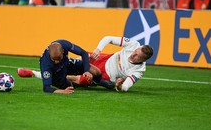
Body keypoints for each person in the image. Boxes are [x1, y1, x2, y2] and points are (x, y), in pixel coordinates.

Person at [19, 36, 153, 92]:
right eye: (135, 51)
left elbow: (125, 88)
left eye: (136, 56)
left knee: (81, 80)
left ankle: (33, 73)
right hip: (102, 59)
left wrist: (119, 85)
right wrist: (98, 50)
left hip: (107, 76)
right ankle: (58, 74)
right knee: (80, 68)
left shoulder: (139, 70)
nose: (133, 55)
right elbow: (108, 38)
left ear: (142, 60)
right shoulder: (134, 44)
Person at [18, 40, 95, 94]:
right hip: (57, 74)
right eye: (54, 60)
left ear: (63, 51)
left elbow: (84, 53)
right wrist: (62, 92)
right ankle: (34, 73)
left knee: (95, 72)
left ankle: (34, 73)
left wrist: (86, 70)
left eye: (58, 59)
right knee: (72, 85)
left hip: (67, 64)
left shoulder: (64, 45)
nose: (57, 62)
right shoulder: (45, 63)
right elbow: (46, 88)